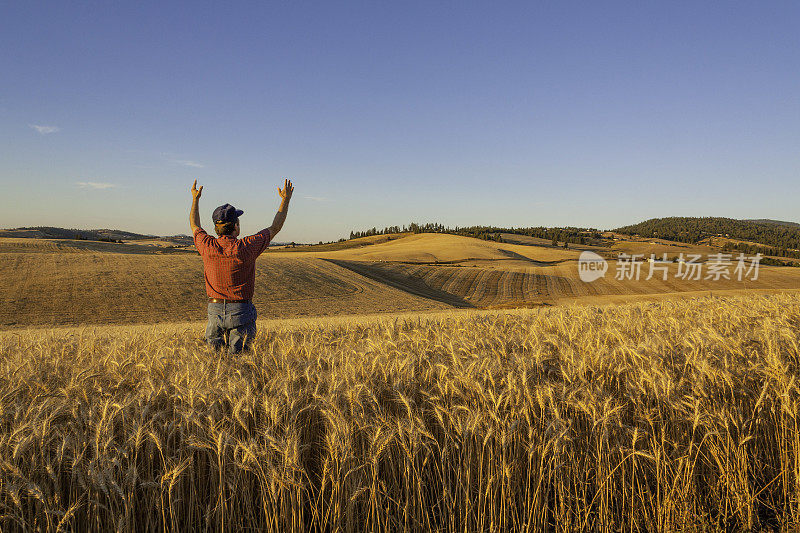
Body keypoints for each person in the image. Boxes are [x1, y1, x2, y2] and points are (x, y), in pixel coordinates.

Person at [189, 178, 293, 353]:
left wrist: (195, 199)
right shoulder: (246, 247)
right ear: (236, 226)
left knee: (214, 364)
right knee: (240, 362)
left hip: (214, 309)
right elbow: (275, 227)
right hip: (241, 310)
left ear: (216, 227)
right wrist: (285, 199)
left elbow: (194, 225)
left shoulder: (206, 245)